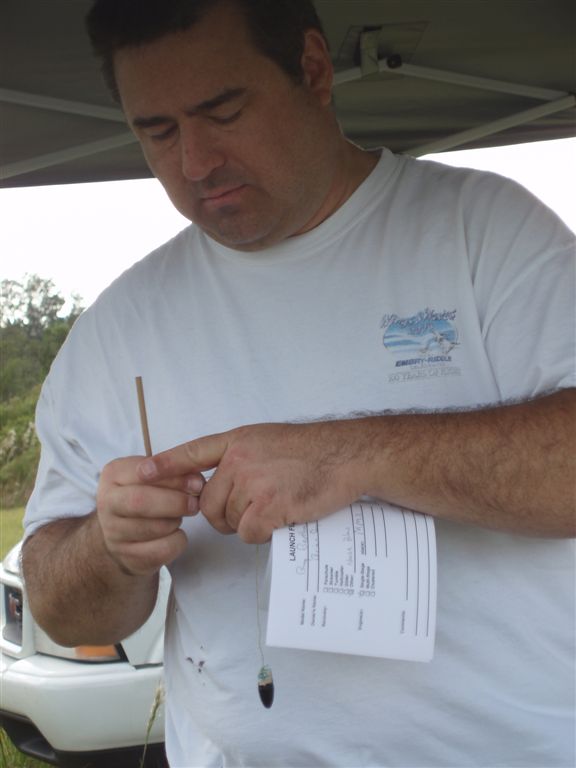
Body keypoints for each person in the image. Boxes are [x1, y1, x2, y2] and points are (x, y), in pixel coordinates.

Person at [22, 0, 575, 766]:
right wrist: (110, 547)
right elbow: (60, 608)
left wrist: (353, 457)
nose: (195, 162)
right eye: (158, 131)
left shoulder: (484, 232)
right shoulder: (121, 329)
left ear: (313, 70)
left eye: (223, 111)